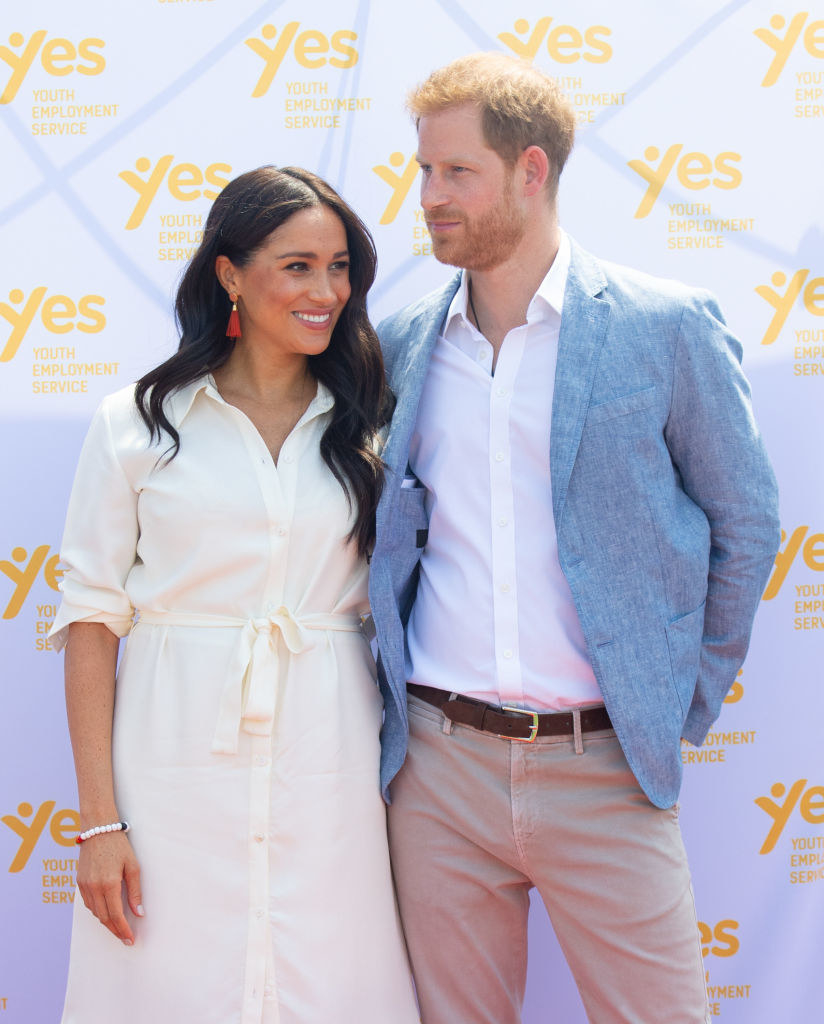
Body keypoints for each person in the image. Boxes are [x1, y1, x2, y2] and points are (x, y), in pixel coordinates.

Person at [369, 53, 780, 1024]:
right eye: (422, 172)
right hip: (438, 770)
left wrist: (673, 696)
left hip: (603, 765)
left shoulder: (663, 326)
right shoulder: (401, 343)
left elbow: (745, 520)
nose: (429, 197)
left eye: (455, 172)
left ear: (530, 171)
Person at [50, 166, 418, 1024]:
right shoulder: (137, 425)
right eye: (296, 266)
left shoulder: (373, 423)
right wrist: (100, 823)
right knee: (168, 982)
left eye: (339, 267)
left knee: (330, 979)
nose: (326, 290)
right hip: (171, 760)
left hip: (331, 761)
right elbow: (93, 621)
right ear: (229, 274)